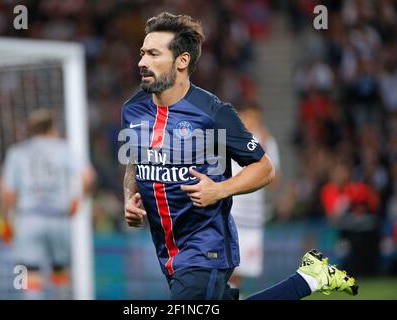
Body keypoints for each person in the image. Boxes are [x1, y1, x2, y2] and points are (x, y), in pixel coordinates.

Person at [121, 12, 358, 300]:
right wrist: (129, 197)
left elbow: (265, 168)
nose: (142, 62)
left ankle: (309, 279)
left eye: (153, 54)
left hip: (206, 248)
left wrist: (219, 189)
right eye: (142, 53)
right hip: (168, 249)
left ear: (182, 61)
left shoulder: (213, 113)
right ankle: (309, 279)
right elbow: (135, 161)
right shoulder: (132, 110)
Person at [0, 109, 95, 299]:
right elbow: (88, 176)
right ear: (51, 128)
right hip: (58, 218)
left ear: (30, 130)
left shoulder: (17, 152)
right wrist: (77, 200)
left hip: (28, 219)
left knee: (30, 273)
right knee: (60, 271)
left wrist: (5, 221)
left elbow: (7, 193)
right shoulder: (63, 148)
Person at [229, 101, 280, 291]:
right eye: (248, 117)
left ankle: (232, 295)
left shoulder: (266, 141)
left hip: (253, 217)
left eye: (256, 118)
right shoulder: (229, 137)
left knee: (243, 269)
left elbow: (274, 181)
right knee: (228, 263)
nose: (252, 122)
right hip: (231, 211)